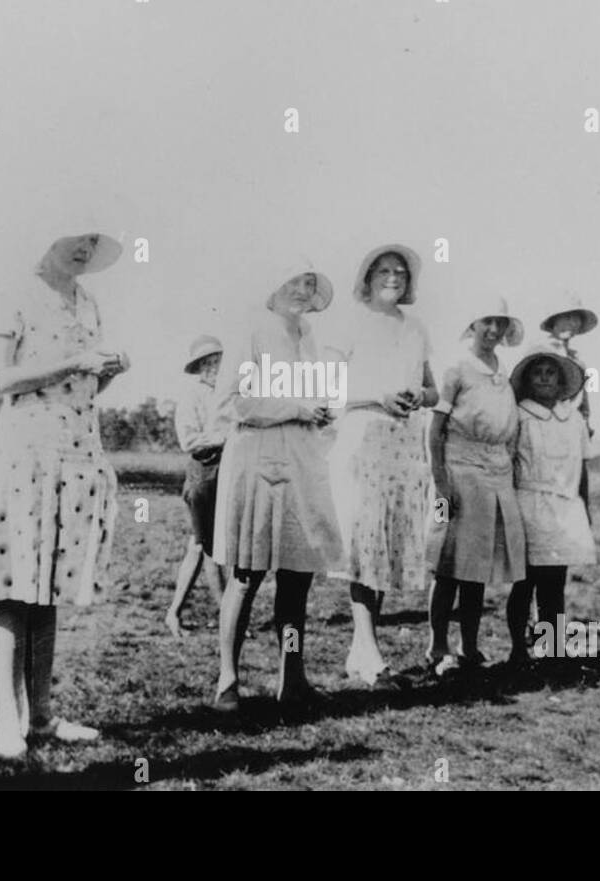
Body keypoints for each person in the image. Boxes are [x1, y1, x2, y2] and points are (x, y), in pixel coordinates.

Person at [0, 233, 129, 758]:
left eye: (91, 241)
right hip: (24, 455)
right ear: (48, 240)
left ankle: (44, 715)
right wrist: (73, 362)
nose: (83, 249)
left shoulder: (89, 303)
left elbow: (84, 390)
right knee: (14, 591)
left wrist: (107, 373)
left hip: (75, 455)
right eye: (74, 238)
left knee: (48, 590)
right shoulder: (16, 293)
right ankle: (9, 719)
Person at [210, 264, 341, 713]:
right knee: (247, 573)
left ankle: (293, 676)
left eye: (309, 284)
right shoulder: (252, 329)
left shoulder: (308, 335)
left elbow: (315, 397)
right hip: (258, 456)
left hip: (303, 458)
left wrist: (321, 411)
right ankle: (228, 678)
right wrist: (299, 408)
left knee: (297, 575)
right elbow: (238, 401)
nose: (302, 292)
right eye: (293, 282)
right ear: (273, 284)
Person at [324, 244, 436, 690]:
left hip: (404, 443)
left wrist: (415, 396)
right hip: (362, 439)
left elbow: (432, 388)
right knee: (363, 545)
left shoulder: (416, 328)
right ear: (367, 278)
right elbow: (328, 391)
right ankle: (369, 655)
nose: (393, 277)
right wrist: (378, 397)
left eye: (401, 272)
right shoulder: (349, 323)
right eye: (384, 270)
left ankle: (361, 652)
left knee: (385, 548)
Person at [427, 298, 527, 676]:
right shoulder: (455, 367)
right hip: (455, 474)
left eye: (500, 324)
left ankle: (470, 644)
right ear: (472, 324)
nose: (493, 331)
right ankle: (437, 645)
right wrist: (441, 485)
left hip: (495, 476)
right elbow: (434, 430)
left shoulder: (504, 372)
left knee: (478, 565)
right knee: (446, 562)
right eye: (487, 322)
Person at [506, 343, 596, 669]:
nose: (544, 379)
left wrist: (585, 507)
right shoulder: (519, 416)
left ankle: (552, 650)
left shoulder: (573, 420)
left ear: (561, 382)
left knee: (554, 585)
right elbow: (509, 461)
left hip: (565, 506)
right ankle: (518, 650)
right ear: (528, 381)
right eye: (538, 373)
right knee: (524, 583)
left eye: (551, 373)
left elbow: (582, 467)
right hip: (528, 502)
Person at [165, 335, 231, 637]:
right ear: (200, 367)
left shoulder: (230, 395)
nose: (215, 367)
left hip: (230, 470)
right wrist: (223, 439)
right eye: (209, 362)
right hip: (204, 471)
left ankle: (175, 612)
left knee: (203, 544)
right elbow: (190, 441)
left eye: (218, 361)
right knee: (208, 545)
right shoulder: (192, 396)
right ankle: (226, 614)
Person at [540, 295, 598, 520]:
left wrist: (586, 423)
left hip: (574, 435)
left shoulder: (578, 360)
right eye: (566, 318)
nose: (571, 324)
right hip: (547, 434)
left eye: (575, 319)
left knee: (579, 496)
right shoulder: (540, 351)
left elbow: (584, 402)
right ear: (554, 320)